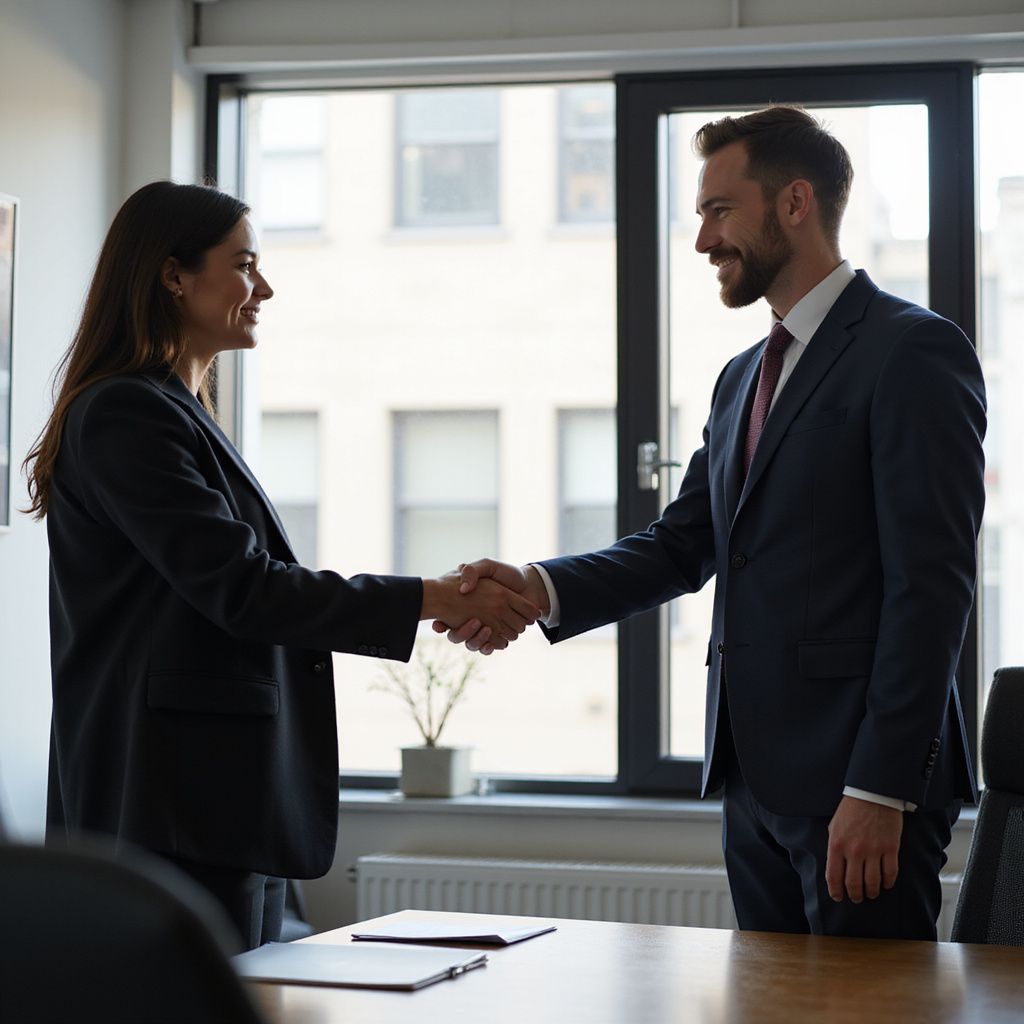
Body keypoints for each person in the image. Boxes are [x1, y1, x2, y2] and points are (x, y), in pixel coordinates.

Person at [439, 107, 986, 940]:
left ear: (794, 203)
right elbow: (681, 544)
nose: (701, 240)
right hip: (753, 785)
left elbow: (933, 586)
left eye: (718, 211)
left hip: (859, 790)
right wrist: (539, 588)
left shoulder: (912, 350)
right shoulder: (742, 379)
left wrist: (880, 789)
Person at [23, 181, 538, 950]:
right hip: (170, 805)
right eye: (244, 265)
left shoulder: (174, 410)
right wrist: (436, 596)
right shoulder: (126, 413)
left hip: (216, 805)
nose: (263, 288)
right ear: (172, 276)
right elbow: (244, 590)